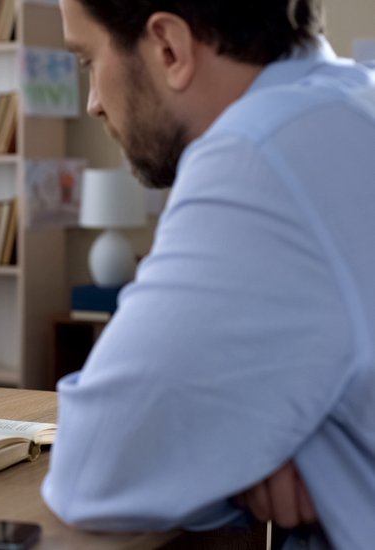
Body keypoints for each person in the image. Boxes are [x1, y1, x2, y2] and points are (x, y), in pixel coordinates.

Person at [42, 1, 375, 548]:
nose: (94, 103)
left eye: (88, 61)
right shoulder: (350, 102)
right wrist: (267, 456)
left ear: (169, 47)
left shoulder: (259, 153)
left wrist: (232, 466)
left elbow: (96, 471)